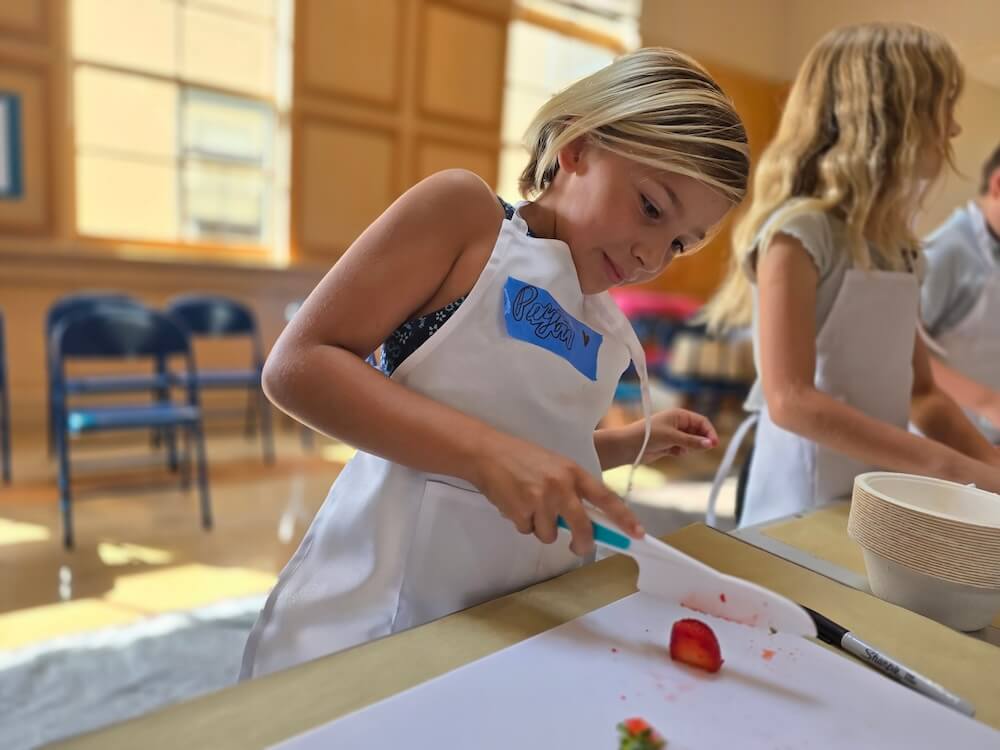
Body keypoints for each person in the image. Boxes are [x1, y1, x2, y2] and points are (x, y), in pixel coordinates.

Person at [240, 47, 750, 679]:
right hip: (388, 609)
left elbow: (533, 444)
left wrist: (624, 443)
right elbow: (297, 366)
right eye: (650, 207)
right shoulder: (467, 219)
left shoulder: (597, 316)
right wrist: (486, 455)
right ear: (579, 147)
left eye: (678, 243)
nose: (651, 255)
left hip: (520, 612)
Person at [705, 23, 1000, 528]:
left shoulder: (899, 247)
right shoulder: (798, 234)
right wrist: (948, 467)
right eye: (944, 108)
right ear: (892, 117)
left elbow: (923, 395)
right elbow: (790, 399)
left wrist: (989, 470)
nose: (953, 130)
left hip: (877, 494)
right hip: (797, 501)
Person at [921, 144, 1000, 442]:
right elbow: (901, 354)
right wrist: (988, 402)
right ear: (997, 185)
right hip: (945, 440)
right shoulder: (947, 251)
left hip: (988, 441)